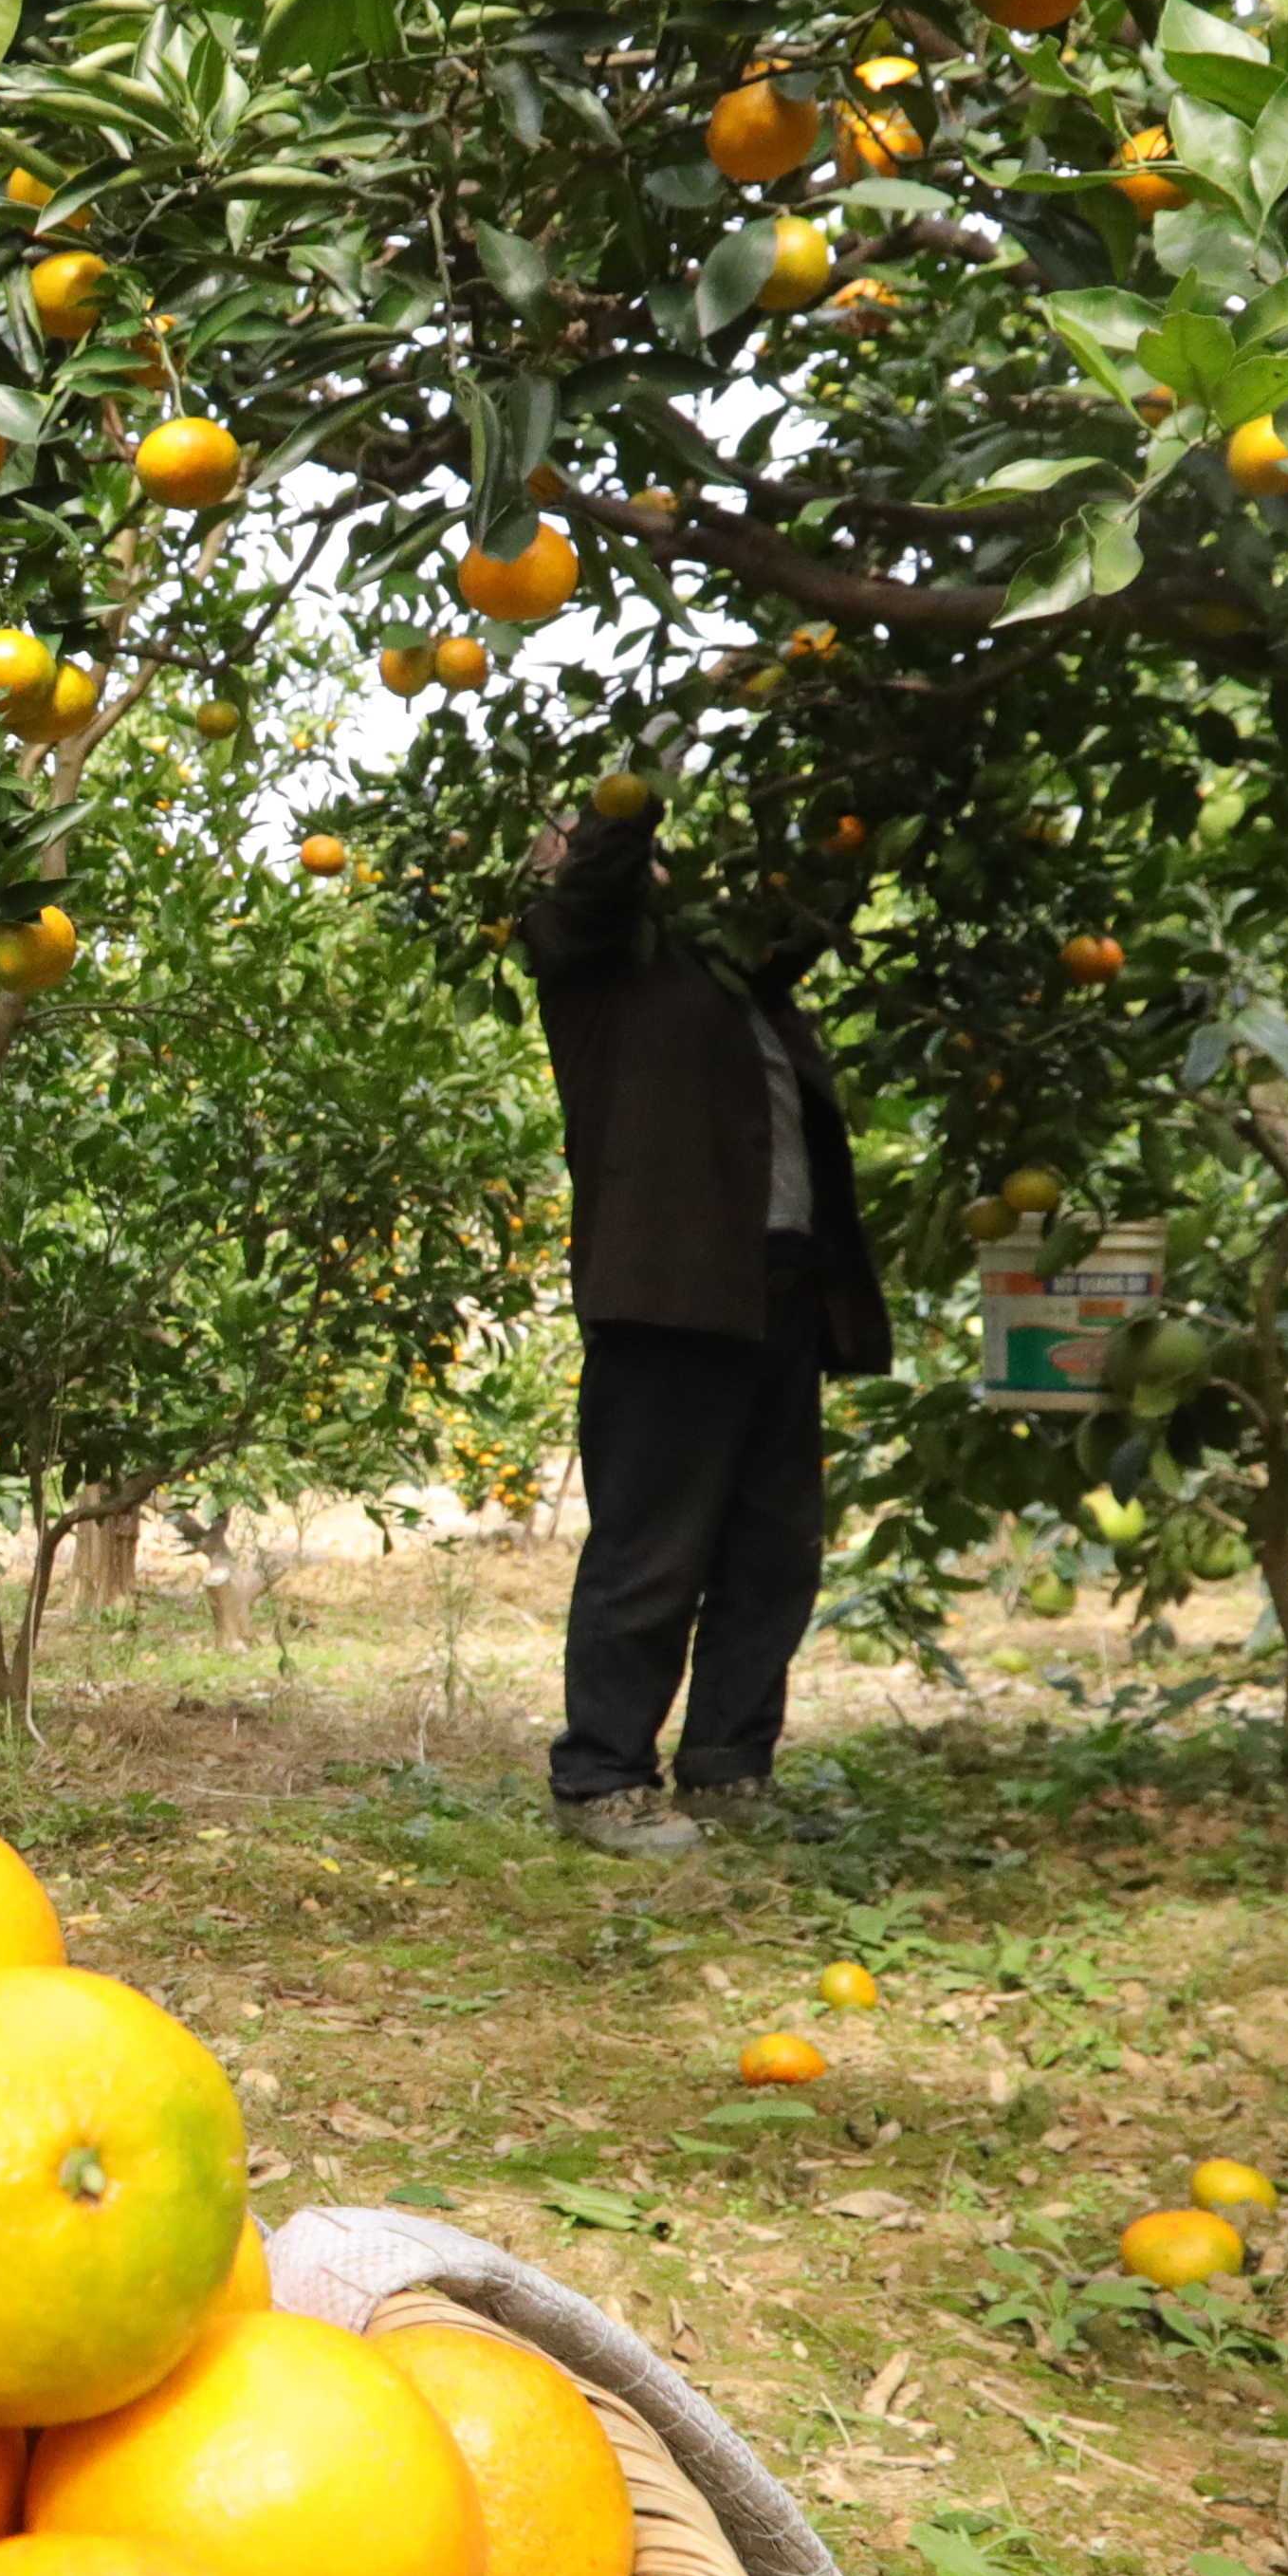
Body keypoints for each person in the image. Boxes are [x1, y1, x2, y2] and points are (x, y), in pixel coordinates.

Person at [521, 776, 884, 1855]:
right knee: (654, 1547)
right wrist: (654, 741)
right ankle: (601, 1780)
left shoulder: (737, 974)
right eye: (568, 841)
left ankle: (729, 1765)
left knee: (773, 1549)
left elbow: (821, 891)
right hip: (670, 1295)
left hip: (775, 1288)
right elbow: (604, 864)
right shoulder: (586, 963)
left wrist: (865, 760)